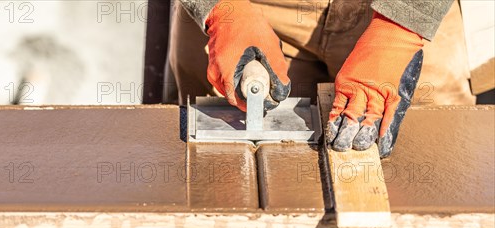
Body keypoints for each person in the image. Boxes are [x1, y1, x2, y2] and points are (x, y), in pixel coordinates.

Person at [168, 0, 475, 157]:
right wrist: (223, 9)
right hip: (252, 9)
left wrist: (402, 28)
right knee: (213, 175)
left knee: (431, 169)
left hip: (400, 15)